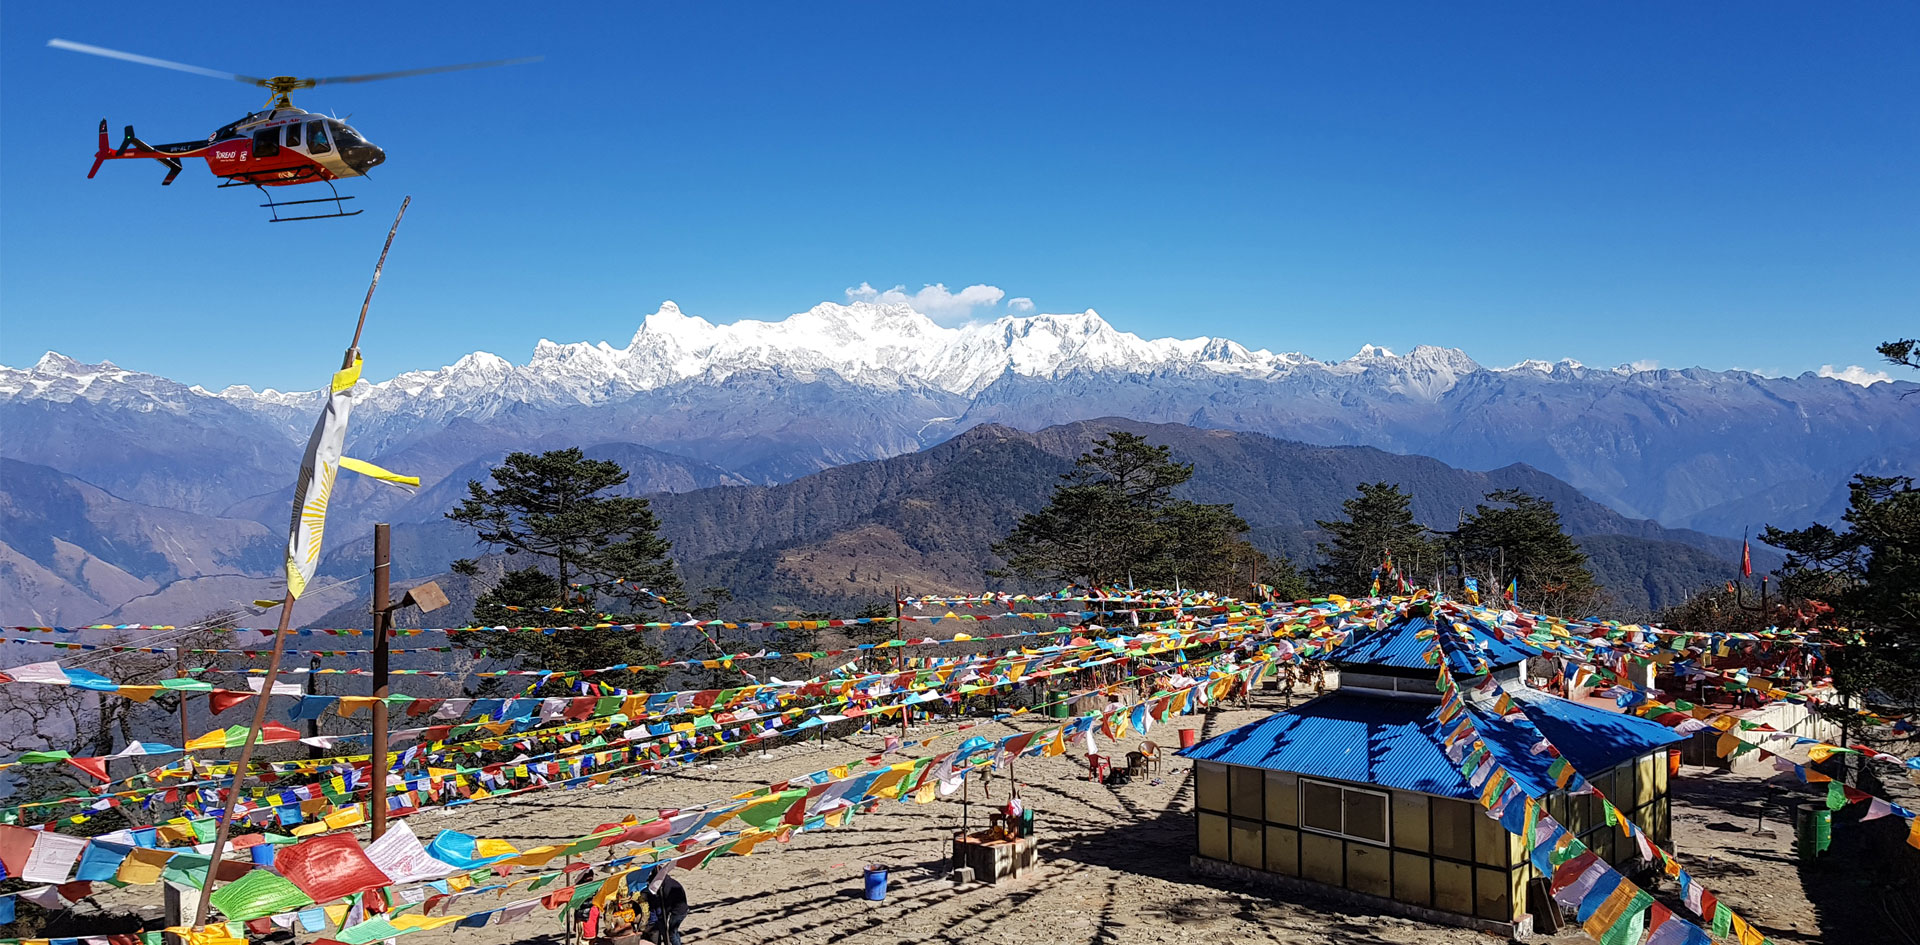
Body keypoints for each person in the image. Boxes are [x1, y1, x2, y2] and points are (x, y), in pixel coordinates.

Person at [644, 863, 689, 945]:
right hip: (674, 908)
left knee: (672, 934)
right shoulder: (666, 882)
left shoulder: (668, 887)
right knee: (672, 931)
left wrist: (662, 916)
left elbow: (667, 906)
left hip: (679, 911)